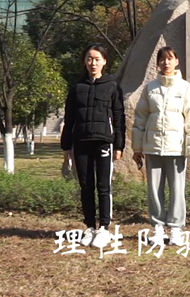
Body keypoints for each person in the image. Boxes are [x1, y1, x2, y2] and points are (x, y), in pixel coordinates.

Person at [131, 46, 190, 247]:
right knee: (154, 190)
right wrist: (137, 148)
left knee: (177, 189)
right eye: (162, 59)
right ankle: (158, 228)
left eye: (170, 59)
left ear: (176, 61)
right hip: (153, 147)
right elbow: (140, 119)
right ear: (158, 63)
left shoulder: (185, 88)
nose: (166, 62)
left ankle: (176, 229)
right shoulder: (150, 88)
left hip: (176, 148)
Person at [61, 43, 126, 249]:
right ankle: (90, 226)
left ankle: (104, 228)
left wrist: (119, 145)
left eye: (97, 59)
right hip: (81, 142)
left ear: (104, 61)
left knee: (103, 186)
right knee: (86, 186)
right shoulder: (77, 88)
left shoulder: (112, 86)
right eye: (89, 58)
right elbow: (69, 118)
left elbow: (119, 118)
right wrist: (66, 146)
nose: (93, 63)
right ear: (85, 61)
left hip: (103, 141)